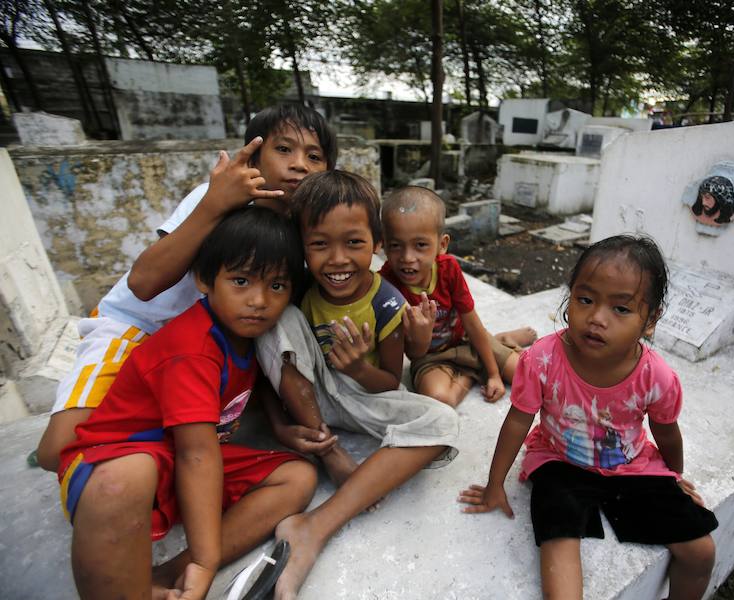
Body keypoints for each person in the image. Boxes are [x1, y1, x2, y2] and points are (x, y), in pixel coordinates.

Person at [36, 104, 338, 472]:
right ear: (254, 157)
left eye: (314, 156)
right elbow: (143, 285)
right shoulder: (214, 198)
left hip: (214, 347)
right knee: (61, 452)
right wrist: (214, 205)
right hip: (139, 329)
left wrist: (279, 424)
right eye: (284, 149)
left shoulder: (304, 229)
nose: (299, 164)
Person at [58, 206, 317, 600]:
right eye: (241, 281)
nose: (259, 300)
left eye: (277, 286)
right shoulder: (192, 348)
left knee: (297, 478)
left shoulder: (243, 334)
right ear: (203, 279)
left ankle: (167, 575)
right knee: (126, 478)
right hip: (115, 461)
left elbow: (239, 405)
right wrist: (206, 560)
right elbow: (197, 456)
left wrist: (281, 425)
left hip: (177, 459)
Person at [459, 235, 718, 600]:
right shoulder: (543, 360)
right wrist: (494, 484)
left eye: (621, 309)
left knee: (700, 551)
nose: (596, 318)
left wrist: (674, 476)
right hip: (559, 462)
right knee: (558, 540)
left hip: (631, 466)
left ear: (650, 320)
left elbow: (667, 432)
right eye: (585, 300)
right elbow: (518, 421)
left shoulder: (655, 377)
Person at [254, 170, 459, 599]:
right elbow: (272, 359)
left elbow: (388, 380)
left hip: (362, 396)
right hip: (307, 399)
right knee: (275, 320)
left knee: (442, 421)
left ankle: (314, 524)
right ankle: (329, 452)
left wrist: (357, 370)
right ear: (302, 246)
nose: (338, 259)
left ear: (376, 243)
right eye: (319, 244)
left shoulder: (387, 302)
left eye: (353, 242)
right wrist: (277, 423)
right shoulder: (301, 291)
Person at [379, 185, 536, 407]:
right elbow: (413, 354)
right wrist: (421, 336)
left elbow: (471, 323)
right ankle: (472, 370)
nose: (407, 257)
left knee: (528, 377)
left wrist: (493, 374)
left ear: (441, 245)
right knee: (439, 400)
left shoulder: (448, 269)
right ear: (384, 245)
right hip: (429, 357)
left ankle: (498, 343)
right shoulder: (385, 285)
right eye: (396, 246)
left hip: (466, 340)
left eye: (420, 245)